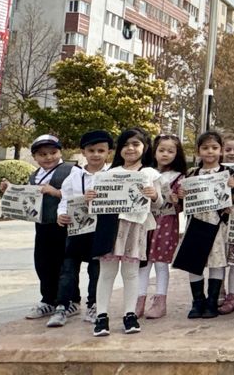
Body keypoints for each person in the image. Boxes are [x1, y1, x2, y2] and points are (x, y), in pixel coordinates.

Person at [88, 128, 162, 336]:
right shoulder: (108, 174)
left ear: (145, 148)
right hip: (109, 227)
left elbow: (159, 205)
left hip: (135, 228)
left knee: (130, 274)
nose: (130, 149)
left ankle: (130, 314)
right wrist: (90, 199)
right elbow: (93, 206)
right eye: (126, 144)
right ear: (119, 148)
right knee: (107, 273)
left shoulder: (149, 174)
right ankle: (101, 316)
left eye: (136, 144)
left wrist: (155, 195)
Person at [2, 134, 72, 324]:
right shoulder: (34, 175)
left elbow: (79, 194)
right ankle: (48, 299)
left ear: (60, 152)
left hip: (63, 224)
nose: (48, 157)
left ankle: (69, 300)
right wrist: (10, 189)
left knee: (64, 264)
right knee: (43, 262)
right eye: (42, 154)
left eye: (53, 152)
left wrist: (55, 192)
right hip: (42, 225)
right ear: (35, 157)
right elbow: (27, 195)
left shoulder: (70, 170)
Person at [173, 131, 234, 320]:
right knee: (194, 263)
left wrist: (233, 187)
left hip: (217, 222)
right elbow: (183, 199)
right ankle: (198, 301)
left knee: (217, 262)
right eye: (205, 148)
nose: (210, 152)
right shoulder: (192, 173)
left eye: (214, 148)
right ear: (198, 151)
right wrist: (181, 196)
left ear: (220, 151)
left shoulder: (227, 172)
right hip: (196, 221)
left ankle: (212, 301)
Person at [54, 130, 112, 326]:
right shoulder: (74, 175)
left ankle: (94, 304)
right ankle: (63, 305)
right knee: (68, 269)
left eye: (101, 150)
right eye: (91, 150)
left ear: (108, 153)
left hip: (99, 230)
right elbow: (65, 198)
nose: (96, 154)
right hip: (76, 230)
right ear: (83, 152)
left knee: (96, 270)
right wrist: (61, 214)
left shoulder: (112, 175)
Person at [142, 134, 187, 319]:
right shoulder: (145, 172)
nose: (165, 154)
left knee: (161, 263)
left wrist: (180, 199)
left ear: (177, 154)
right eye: (161, 150)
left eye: (170, 151)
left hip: (166, 223)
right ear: (154, 152)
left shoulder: (180, 177)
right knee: (142, 263)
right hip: (145, 221)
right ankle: (138, 300)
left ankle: (160, 301)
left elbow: (182, 206)